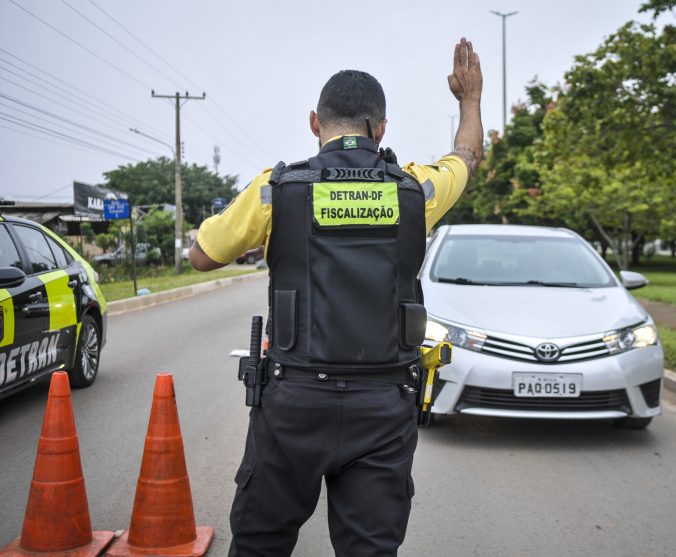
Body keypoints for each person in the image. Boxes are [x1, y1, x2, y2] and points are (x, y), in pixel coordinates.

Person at [189, 37, 483, 557]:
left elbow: (202, 256)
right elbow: (466, 157)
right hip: (383, 405)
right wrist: (470, 101)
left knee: (260, 543)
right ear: (382, 128)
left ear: (314, 122)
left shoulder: (274, 191)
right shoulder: (417, 191)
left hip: (293, 402)